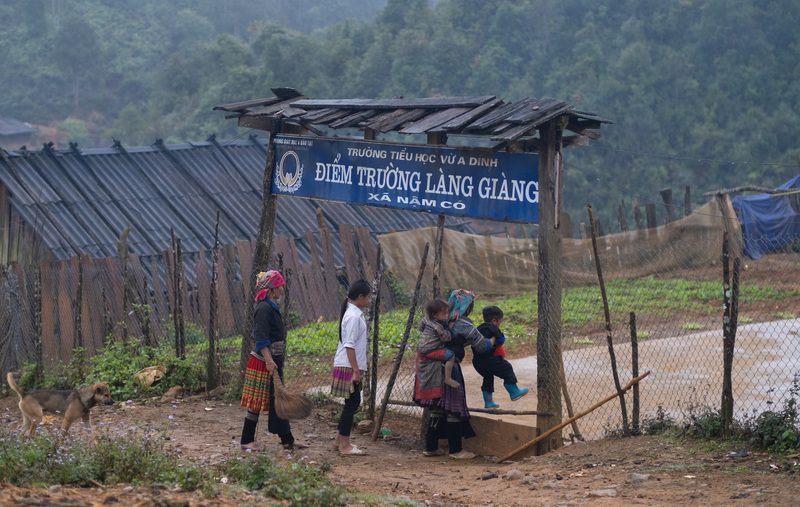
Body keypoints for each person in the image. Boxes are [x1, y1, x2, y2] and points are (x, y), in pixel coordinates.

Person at [413, 289, 495, 459]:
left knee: (438, 407)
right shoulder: (462, 323)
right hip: (447, 368)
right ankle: (456, 450)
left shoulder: (436, 320)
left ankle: (431, 447)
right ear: (467, 306)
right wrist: (493, 339)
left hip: (430, 367)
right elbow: (482, 346)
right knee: (453, 407)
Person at [239, 270, 307, 452]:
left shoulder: (270, 306)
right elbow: (261, 339)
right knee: (256, 402)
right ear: (271, 289)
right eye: (279, 286)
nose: (282, 289)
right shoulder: (263, 308)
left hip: (272, 361)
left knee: (279, 399)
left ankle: (287, 441)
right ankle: (246, 441)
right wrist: (269, 361)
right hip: (263, 361)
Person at [331, 279, 371, 456]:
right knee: (352, 404)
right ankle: (344, 445)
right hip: (349, 365)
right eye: (368, 297)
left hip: (347, 364)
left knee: (350, 403)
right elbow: (350, 345)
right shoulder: (354, 316)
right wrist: (356, 370)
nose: (369, 300)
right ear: (361, 296)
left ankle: (339, 439)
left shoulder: (351, 313)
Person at [474, 305, 529, 408]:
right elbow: (501, 340)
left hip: (477, 362)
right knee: (506, 367)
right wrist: (498, 344)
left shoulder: (478, 329)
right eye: (500, 321)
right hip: (488, 360)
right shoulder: (493, 328)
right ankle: (514, 391)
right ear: (494, 321)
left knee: (488, 377)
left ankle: (488, 402)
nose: (500, 324)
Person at [417, 299, 460, 389]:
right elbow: (446, 338)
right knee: (450, 356)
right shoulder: (439, 326)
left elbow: (420, 328)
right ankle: (448, 378)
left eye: (447, 313)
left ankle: (416, 371)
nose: (446, 316)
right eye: (443, 314)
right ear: (434, 315)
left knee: (418, 352)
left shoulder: (425, 319)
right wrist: (450, 329)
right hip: (431, 350)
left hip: (421, 348)